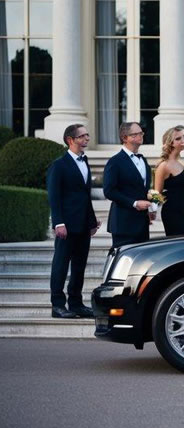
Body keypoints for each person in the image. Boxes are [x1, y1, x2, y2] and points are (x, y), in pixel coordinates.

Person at [46, 124, 100, 319]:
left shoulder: (85, 162)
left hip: (83, 224)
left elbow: (85, 196)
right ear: (71, 139)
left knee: (79, 265)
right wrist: (58, 222)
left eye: (87, 134)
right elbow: (54, 196)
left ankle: (76, 303)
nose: (87, 138)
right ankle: (57, 305)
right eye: (83, 136)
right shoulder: (58, 165)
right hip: (66, 225)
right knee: (60, 264)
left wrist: (92, 221)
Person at [103, 121, 153, 248]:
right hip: (123, 223)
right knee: (124, 264)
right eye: (135, 134)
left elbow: (144, 188)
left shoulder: (143, 160)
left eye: (141, 133)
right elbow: (109, 191)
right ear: (125, 138)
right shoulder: (115, 162)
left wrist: (152, 207)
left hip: (142, 222)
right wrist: (135, 203)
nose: (140, 136)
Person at [154, 125, 184, 237]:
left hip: (183, 210)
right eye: (178, 138)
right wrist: (152, 211)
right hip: (171, 211)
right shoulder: (164, 165)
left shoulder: (181, 163)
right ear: (170, 142)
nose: (183, 140)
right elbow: (156, 192)